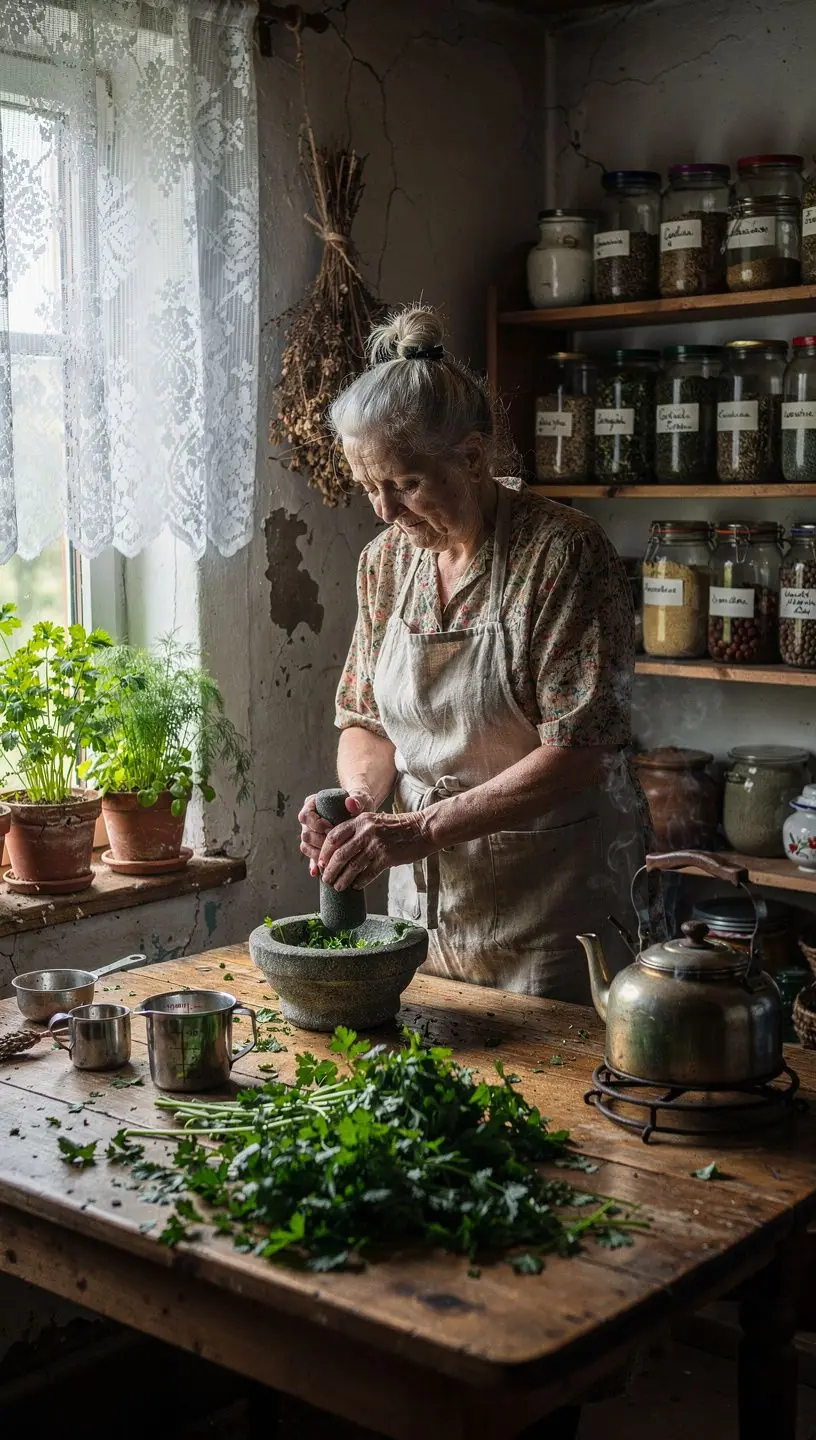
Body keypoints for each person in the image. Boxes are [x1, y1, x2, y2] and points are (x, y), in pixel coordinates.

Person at [298, 305, 648, 1003]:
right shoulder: (385, 563)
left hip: (550, 906)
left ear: (473, 455)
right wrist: (364, 807)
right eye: (370, 488)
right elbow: (365, 717)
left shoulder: (561, 554)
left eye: (403, 483)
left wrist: (418, 827)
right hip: (424, 897)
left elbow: (579, 750)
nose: (383, 511)